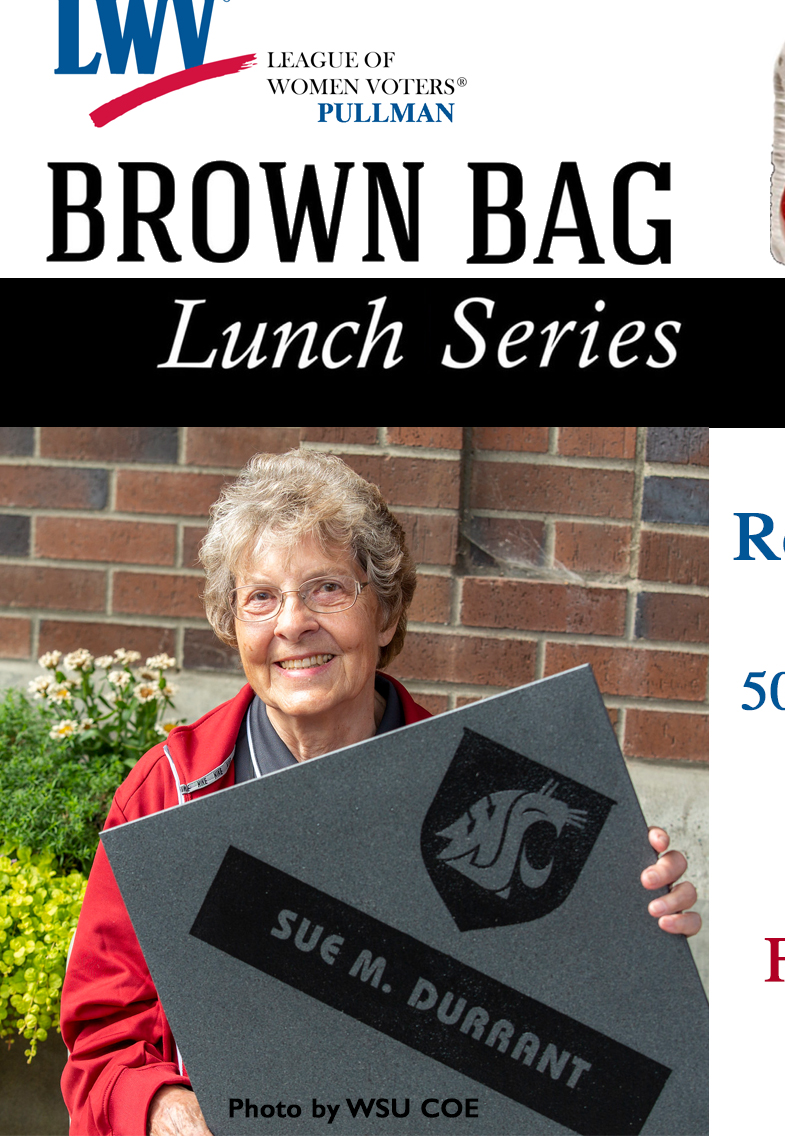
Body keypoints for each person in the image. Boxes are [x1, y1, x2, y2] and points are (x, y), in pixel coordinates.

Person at [59, 449, 700, 1136]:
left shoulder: (490, 795)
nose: (292, 623)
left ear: (386, 616)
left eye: (328, 588)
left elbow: (573, 1029)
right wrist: (164, 1111)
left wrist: (633, 927)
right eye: (261, 597)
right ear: (233, 624)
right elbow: (103, 1037)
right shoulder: (170, 792)